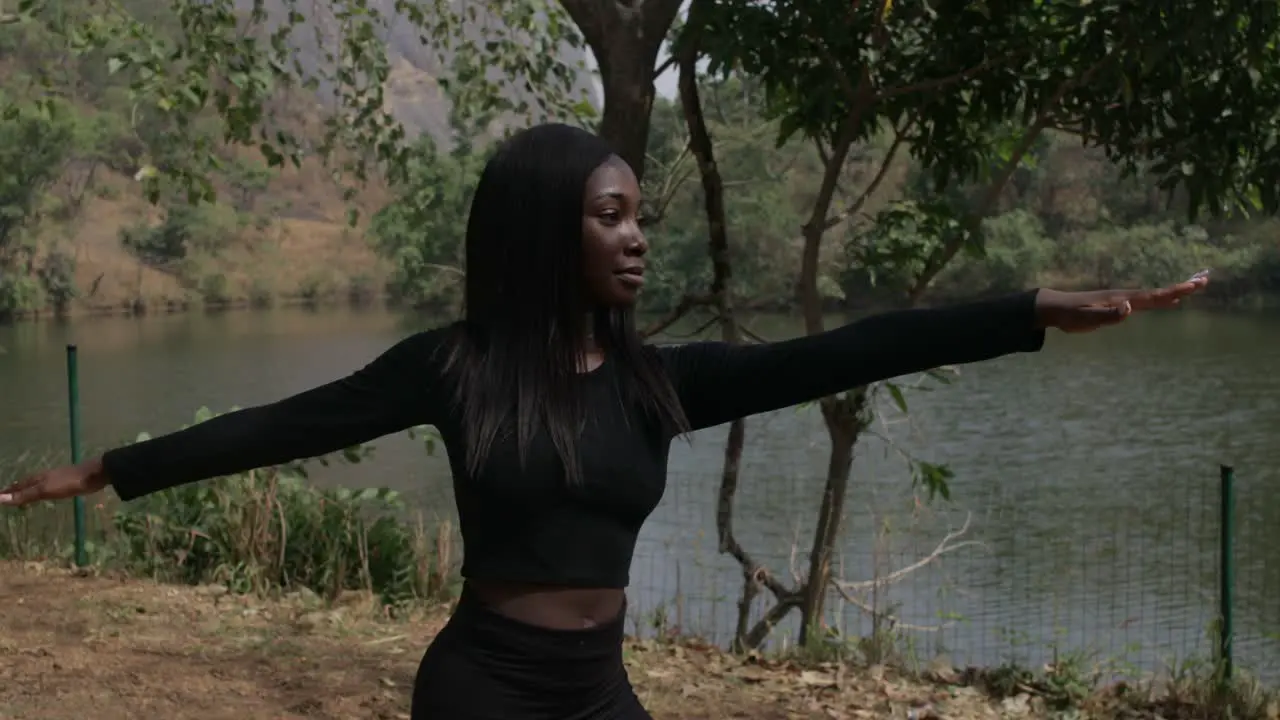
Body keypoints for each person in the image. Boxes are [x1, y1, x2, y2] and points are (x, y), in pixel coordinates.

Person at [0, 122, 1207, 719]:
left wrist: (1030, 308)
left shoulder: (656, 381)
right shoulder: (453, 369)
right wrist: (100, 470)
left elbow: (845, 348)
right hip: (478, 686)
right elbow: (278, 426)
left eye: (638, 216)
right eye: (610, 217)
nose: (634, 237)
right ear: (544, 232)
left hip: (595, 689)